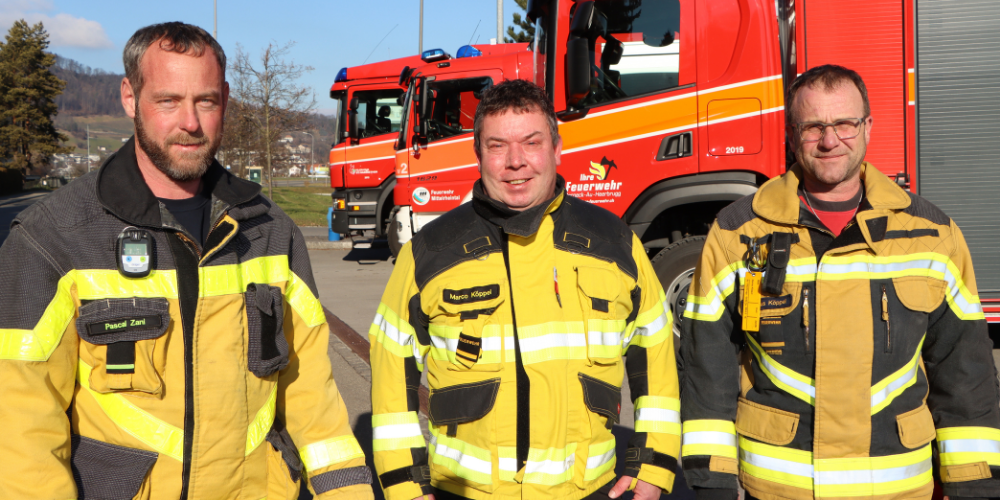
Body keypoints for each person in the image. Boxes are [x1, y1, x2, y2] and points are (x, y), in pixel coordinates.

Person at [0, 22, 373, 500]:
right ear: (130, 98)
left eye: (206, 101)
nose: (191, 122)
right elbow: (20, 428)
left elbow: (312, 398)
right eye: (168, 100)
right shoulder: (53, 239)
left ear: (226, 99)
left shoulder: (271, 232)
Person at [680, 64, 1000, 500]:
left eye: (845, 124)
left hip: (898, 489)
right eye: (814, 126)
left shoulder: (932, 234)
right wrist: (710, 486)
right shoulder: (738, 233)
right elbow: (707, 372)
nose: (830, 140)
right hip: (780, 490)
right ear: (792, 134)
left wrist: (975, 486)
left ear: (868, 126)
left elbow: (965, 375)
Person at [369, 79, 680, 500]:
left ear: (556, 147)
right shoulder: (431, 251)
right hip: (465, 492)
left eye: (531, 142)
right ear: (477, 153)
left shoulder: (614, 242)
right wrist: (404, 485)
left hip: (588, 490)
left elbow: (656, 357)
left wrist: (654, 464)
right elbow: (392, 373)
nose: (515, 162)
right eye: (497, 146)